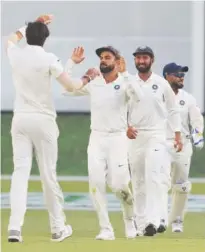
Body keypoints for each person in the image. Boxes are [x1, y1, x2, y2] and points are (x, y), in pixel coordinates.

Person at [6, 14, 99, 243]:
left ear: (26, 36)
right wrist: (87, 75)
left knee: (20, 173)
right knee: (48, 174)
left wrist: (29, 24)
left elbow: (9, 39)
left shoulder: (16, 54)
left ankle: (14, 228)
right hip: (43, 120)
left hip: (20, 119)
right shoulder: (48, 58)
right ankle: (58, 228)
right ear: (45, 39)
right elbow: (72, 85)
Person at [64, 46, 143, 240]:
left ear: (117, 62)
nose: (103, 60)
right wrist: (71, 63)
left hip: (118, 139)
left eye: (107, 57)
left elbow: (138, 97)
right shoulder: (94, 83)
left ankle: (129, 220)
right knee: (96, 183)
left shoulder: (125, 82)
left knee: (120, 185)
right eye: (101, 57)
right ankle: (105, 228)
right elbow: (67, 88)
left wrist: (125, 73)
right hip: (97, 138)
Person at [124, 46, 182, 236]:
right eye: (138, 58)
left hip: (156, 135)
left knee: (154, 175)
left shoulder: (161, 83)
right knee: (138, 180)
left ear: (152, 60)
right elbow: (120, 109)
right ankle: (142, 224)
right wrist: (126, 126)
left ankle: (154, 219)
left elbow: (173, 110)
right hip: (136, 136)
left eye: (145, 58)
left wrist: (177, 134)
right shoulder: (129, 83)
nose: (141, 61)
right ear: (135, 61)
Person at [158, 63, 204, 233]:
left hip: (182, 145)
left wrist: (198, 137)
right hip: (160, 143)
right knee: (159, 183)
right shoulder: (157, 96)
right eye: (177, 74)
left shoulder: (188, 98)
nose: (181, 77)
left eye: (182, 74)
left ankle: (177, 220)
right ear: (166, 76)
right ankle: (158, 218)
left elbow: (197, 121)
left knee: (182, 185)